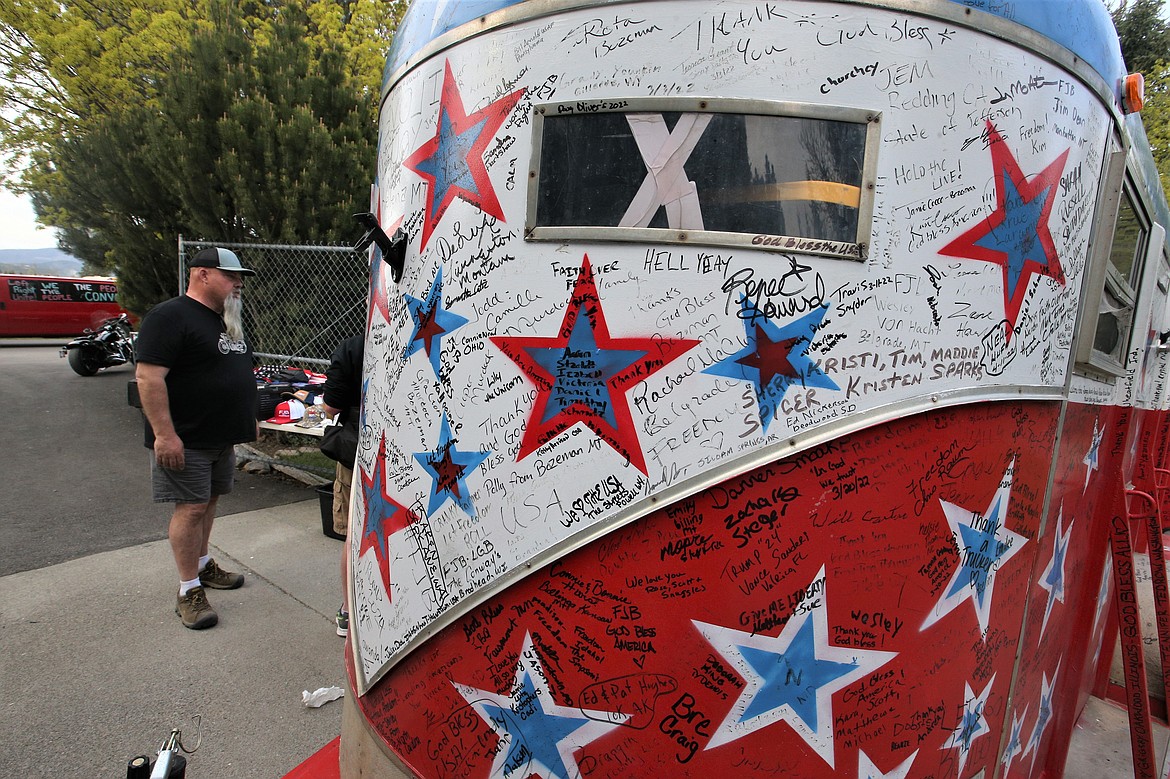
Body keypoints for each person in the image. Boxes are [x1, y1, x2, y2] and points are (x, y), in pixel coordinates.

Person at [135, 247, 258, 630]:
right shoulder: (169, 317)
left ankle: (203, 567)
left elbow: (235, 371)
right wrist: (164, 435)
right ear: (202, 274)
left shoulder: (227, 318)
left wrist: (248, 418)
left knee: (209, 502)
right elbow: (148, 377)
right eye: (231, 275)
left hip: (222, 437)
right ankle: (188, 590)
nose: (238, 283)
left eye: (240, 278)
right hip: (186, 437)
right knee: (190, 508)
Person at [321, 333, 363, 637]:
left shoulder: (352, 346)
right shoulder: (421, 333)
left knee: (354, 532)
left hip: (359, 447)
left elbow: (331, 408)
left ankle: (348, 613)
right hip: (414, 449)